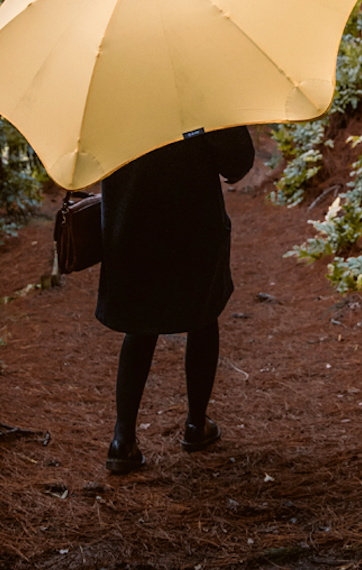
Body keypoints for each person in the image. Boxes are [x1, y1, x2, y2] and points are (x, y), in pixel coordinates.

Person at [96, 126, 255, 474]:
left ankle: (122, 442)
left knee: (140, 325)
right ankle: (196, 425)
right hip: (193, 224)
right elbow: (237, 162)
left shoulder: (114, 91)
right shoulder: (196, 88)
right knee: (203, 315)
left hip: (130, 224)